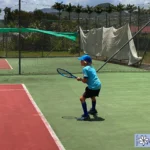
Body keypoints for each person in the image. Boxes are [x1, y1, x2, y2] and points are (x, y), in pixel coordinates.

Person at [77, 54, 101, 121]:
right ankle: (93, 109)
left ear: (85, 62)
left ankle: (86, 115)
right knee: (92, 96)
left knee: (82, 98)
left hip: (93, 86)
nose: (80, 62)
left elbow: (85, 81)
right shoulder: (92, 67)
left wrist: (80, 79)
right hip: (98, 85)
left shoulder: (85, 69)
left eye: (81, 60)